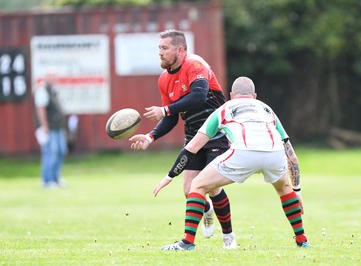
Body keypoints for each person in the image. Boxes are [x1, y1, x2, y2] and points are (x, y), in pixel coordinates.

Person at [154, 76, 309, 250]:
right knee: (284, 189)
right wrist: (297, 191)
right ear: (255, 96)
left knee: (197, 185)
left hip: (244, 152)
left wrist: (170, 175)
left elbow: (193, 147)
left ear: (231, 95)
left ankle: (187, 242)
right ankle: (302, 240)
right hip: (274, 153)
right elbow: (291, 154)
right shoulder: (267, 109)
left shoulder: (224, 108)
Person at [129, 29, 236, 248]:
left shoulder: (195, 65)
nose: (160, 53)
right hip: (193, 137)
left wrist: (165, 110)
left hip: (216, 133)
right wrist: (151, 137)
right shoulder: (164, 79)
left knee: (210, 185)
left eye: (164, 48)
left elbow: (198, 97)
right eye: (159, 48)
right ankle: (206, 209)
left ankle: (228, 238)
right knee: (190, 190)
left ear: (180, 50)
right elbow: (171, 117)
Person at [33, 77, 67, 189]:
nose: (55, 80)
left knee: (61, 151)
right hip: (49, 128)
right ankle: (48, 180)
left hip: (58, 127)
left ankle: (56, 178)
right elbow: (41, 108)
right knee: (51, 153)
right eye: (53, 77)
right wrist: (44, 126)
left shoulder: (53, 90)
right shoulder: (42, 90)